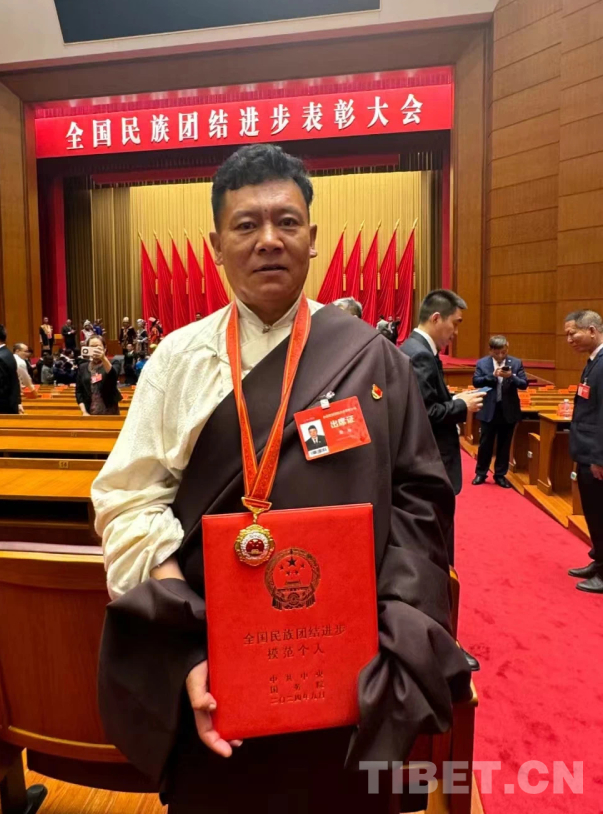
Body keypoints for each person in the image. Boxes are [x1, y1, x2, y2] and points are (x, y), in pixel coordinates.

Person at [93, 144, 469, 813]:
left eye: (286, 222)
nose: (268, 239)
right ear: (216, 245)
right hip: (215, 661)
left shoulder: (373, 360)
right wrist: (185, 642)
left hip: (354, 664)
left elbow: (420, 503)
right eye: (246, 224)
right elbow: (128, 500)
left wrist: (394, 635)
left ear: (312, 237)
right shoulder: (177, 361)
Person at [400, 289, 485, 671]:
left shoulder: (419, 350)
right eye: (455, 322)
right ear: (437, 318)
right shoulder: (418, 353)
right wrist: (460, 405)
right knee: (437, 558)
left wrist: (453, 398)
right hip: (429, 468)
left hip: (428, 466)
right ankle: (441, 641)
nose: (456, 331)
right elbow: (425, 413)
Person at [564, 310, 603, 594]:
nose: (569, 339)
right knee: (593, 512)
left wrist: (600, 458)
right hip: (587, 451)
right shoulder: (593, 362)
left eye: (572, 333)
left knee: (600, 513)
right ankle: (599, 560)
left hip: (596, 456)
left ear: (591, 330)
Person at [472, 336, 528, 488]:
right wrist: (492, 376)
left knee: (504, 444)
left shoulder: (516, 363)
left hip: (508, 410)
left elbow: (524, 384)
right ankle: (481, 473)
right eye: (497, 353)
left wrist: (512, 377)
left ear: (507, 348)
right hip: (488, 409)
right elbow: (476, 382)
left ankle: (500, 475)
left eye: (503, 352)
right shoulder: (482, 363)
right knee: (485, 444)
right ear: (490, 350)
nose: (500, 356)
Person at [75, 334, 122, 416]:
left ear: (105, 348)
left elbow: (113, 377)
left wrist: (103, 358)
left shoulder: (114, 363)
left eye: (98, 347)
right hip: (89, 412)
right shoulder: (82, 367)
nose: (95, 349)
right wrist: (84, 412)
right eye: (92, 347)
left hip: (110, 412)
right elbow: (79, 392)